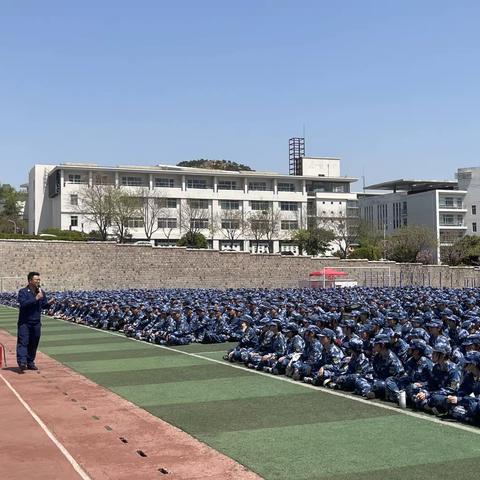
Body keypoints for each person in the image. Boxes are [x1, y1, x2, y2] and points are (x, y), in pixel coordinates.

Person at [17, 271, 54, 372]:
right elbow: (23, 304)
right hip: (24, 322)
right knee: (23, 341)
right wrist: (36, 298)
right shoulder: (23, 292)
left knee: (34, 342)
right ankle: (22, 362)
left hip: (36, 322)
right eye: (36, 279)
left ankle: (30, 362)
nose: (38, 281)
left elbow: (43, 305)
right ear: (30, 281)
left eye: (39, 280)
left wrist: (49, 303)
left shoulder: (41, 292)